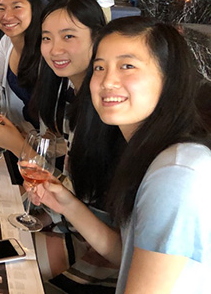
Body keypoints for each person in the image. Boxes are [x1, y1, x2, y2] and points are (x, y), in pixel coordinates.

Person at [34, 17, 211, 293]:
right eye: (100, 68)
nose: (107, 81)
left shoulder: (176, 173)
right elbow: (123, 252)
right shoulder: (147, 152)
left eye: (127, 66)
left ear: (169, 79)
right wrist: (66, 203)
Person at [0, 0, 116, 289]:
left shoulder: (108, 112)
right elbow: (64, 187)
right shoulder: (65, 96)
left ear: (98, 38)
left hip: (95, 248)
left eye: (69, 36)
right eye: (47, 38)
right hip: (65, 220)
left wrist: (18, 146)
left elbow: (83, 202)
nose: (55, 49)